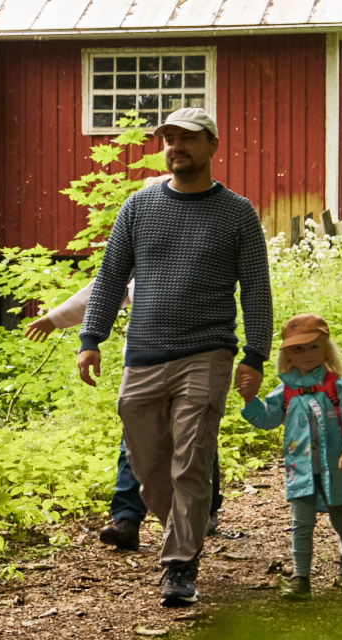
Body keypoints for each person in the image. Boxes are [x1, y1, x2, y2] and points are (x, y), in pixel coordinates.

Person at [75, 107, 276, 609]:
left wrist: (255, 354)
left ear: (212, 145)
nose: (175, 146)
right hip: (144, 354)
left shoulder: (237, 213)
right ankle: (186, 525)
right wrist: (90, 337)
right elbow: (111, 278)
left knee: (191, 461)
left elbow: (256, 289)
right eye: (168, 138)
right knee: (149, 463)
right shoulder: (139, 207)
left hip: (207, 351)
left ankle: (180, 566)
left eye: (187, 138)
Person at [23, 209, 220, 549]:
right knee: (135, 440)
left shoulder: (204, 252)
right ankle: (127, 518)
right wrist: (57, 320)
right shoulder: (138, 258)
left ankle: (206, 508)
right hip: (144, 363)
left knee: (196, 435)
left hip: (196, 359)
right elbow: (102, 290)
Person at [241, 313, 342, 598]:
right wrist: (250, 401)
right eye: (298, 348)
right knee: (301, 523)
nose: (306, 354)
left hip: (337, 468)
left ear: (326, 350)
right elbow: (267, 419)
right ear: (287, 354)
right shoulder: (285, 390)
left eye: (313, 347)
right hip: (300, 468)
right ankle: (301, 578)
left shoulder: (338, 386)